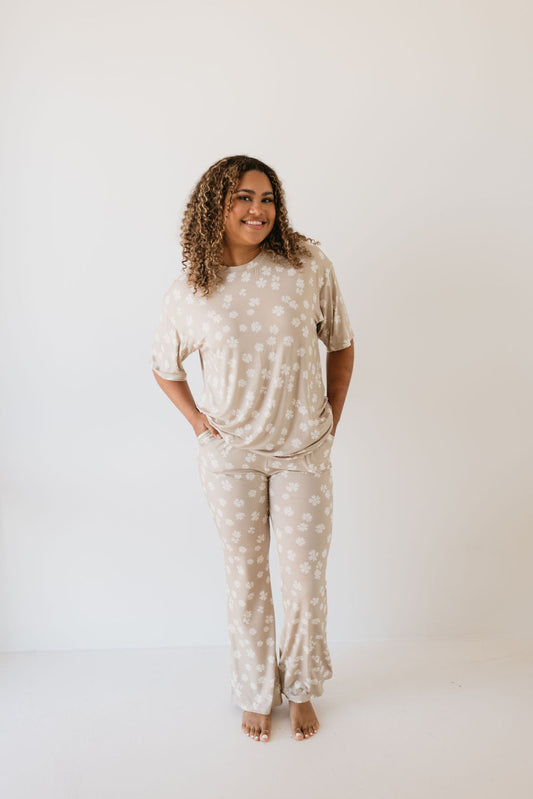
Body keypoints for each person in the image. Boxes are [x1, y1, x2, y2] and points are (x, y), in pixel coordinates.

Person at [151, 155, 354, 743]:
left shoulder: (307, 264)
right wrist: (198, 424)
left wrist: (331, 420)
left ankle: (303, 687)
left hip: (303, 452)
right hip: (230, 458)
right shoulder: (192, 288)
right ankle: (255, 690)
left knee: (305, 579)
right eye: (243, 197)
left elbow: (340, 343)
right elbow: (165, 368)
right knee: (245, 579)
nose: (258, 209)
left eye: (267, 198)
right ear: (215, 204)